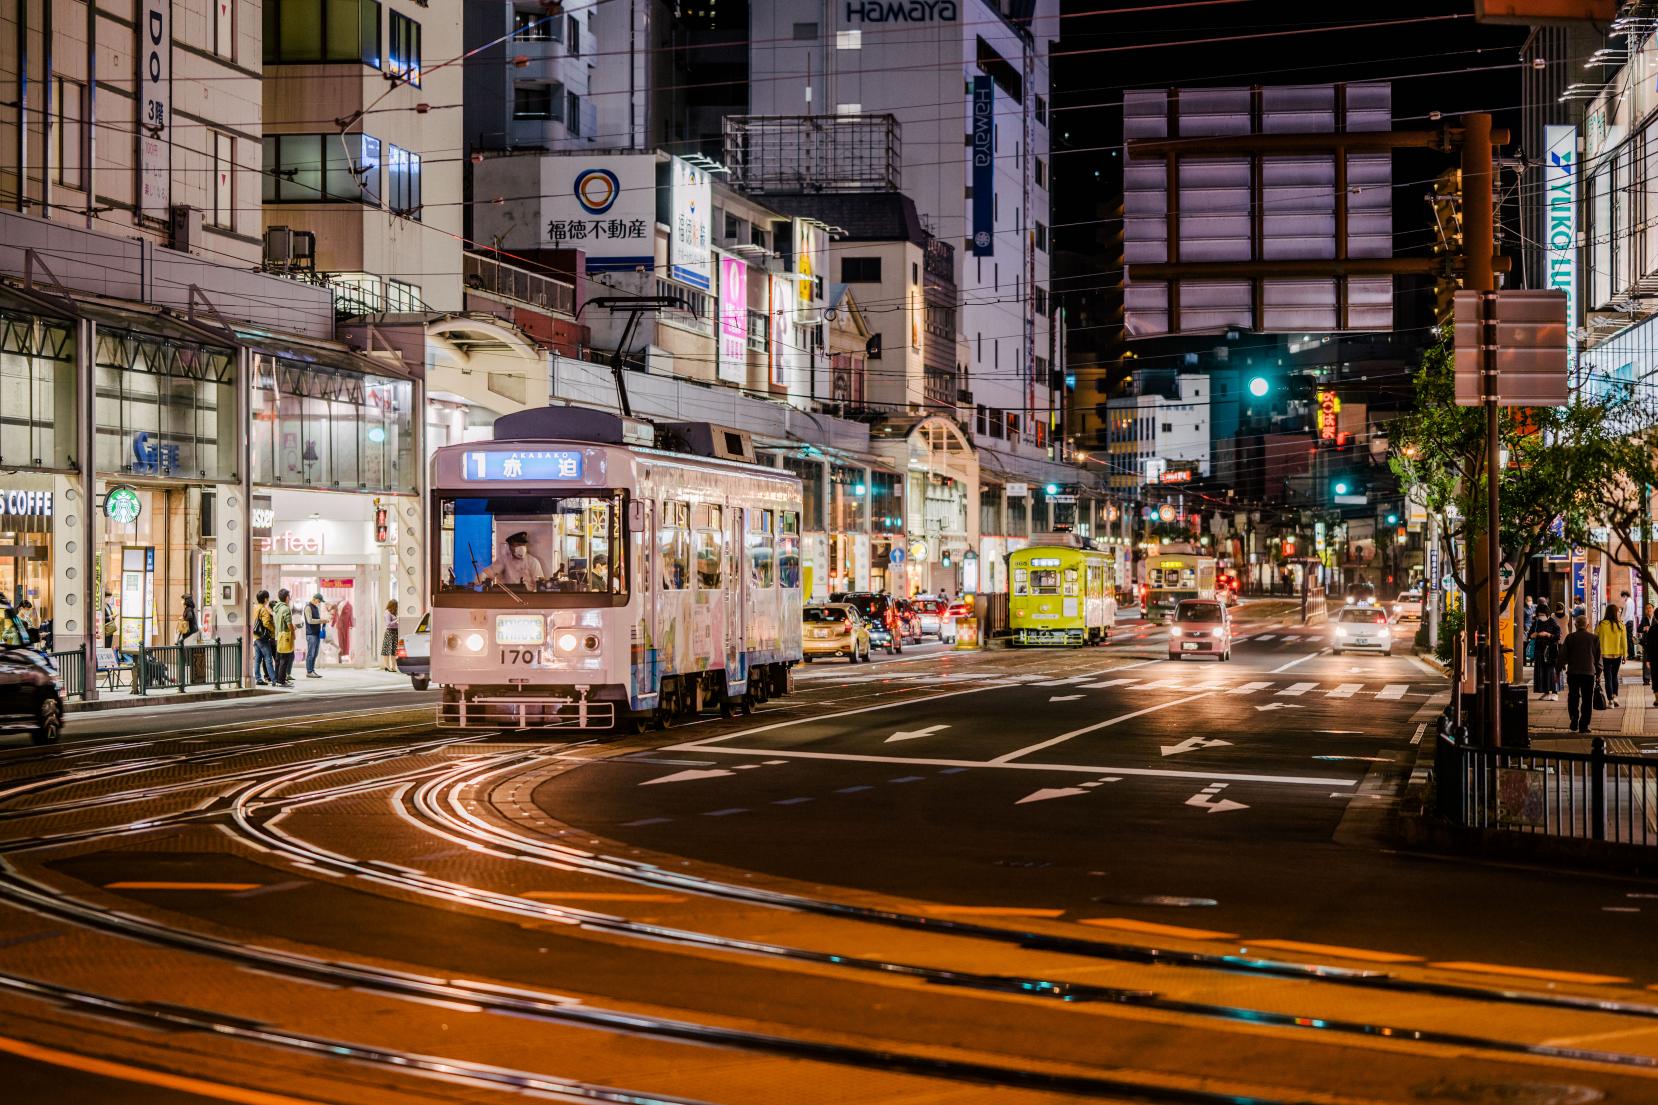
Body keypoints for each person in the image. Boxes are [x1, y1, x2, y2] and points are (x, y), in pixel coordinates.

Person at [1562, 614, 1602, 734]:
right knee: (1587, 699)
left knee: (1573, 696)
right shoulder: (1594, 638)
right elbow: (1598, 658)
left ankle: (1574, 718)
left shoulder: (1570, 637)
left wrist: (1558, 669)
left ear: (1575, 625)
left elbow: (1563, 655)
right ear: (1588, 625)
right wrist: (1599, 673)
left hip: (1573, 672)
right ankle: (1584, 725)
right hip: (1589, 673)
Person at [481, 532, 546, 588]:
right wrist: (482, 576)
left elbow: (540, 584)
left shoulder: (533, 562)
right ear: (510, 546)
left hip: (528, 597)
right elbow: (491, 571)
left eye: (523, 545)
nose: (522, 547)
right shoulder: (504, 560)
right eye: (518, 544)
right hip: (507, 597)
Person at [1529, 600, 1562, 702]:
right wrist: (1535, 635)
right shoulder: (1536, 622)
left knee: (1551, 671)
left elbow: (1557, 636)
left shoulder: (1552, 622)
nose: (1541, 616)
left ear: (1547, 614)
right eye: (1539, 615)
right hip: (1539, 650)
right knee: (1542, 672)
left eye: (1543, 615)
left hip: (1550, 650)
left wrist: (1548, 635)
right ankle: (1546, 692)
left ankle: (1555, 692)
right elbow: (1530, 634)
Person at [1597, 601, 1627, 708]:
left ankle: (1610, 701)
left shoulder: (1601, 624)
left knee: (1608, 677)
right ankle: (1615, 697)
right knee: (1615, 676)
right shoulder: (1621, 625)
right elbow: (1624, 641)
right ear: (1615, 613)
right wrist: (1625, 655)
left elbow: (1597, 640)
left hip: (1605, 655)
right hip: (1617, 654)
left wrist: (1597, 654)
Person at [272, 588, 296, 687]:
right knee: (284, 659)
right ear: (286, 597)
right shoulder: (286, 609)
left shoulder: (277, 608)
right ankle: (281, 681)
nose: (289, 598)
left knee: (278, 659)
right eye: (289, 597)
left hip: (278, 636)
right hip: (285, 636)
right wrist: (293, 632)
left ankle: (277, 680)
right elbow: (289, 624)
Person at [252, 590, 276, 686]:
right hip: (263, 638)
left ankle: (258, 679)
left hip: (256, 637)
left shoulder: (255, 608)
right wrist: (273, 629)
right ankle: (274, 680)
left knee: (257, 659)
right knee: (268, 659)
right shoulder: (264, 609)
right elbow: (266, 623)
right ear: (265, 599)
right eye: (268, 598)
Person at [303, 592, 326, 678]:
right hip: (311, 634)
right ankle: (309, 671)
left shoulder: (315, 607)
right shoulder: (308, 607)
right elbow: (309, 621)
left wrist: (322, 621)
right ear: (315, 599)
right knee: (311, 653)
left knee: (315, 654)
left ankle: (312, 670)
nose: (319, 603)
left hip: (316, 633)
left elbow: (316, 619)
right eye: (319, 601)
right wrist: (321, 621)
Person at [380, 600, 400, 672]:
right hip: (389, 632)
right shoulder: (387, 612)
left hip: (395, 632)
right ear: (392, 605)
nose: (397, 608)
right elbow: (388, 624)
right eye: (396, 606)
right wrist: (397, 620)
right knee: (387, 650)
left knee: (394, 651)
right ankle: (387, 666)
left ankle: (394, 667)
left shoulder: (394, 612)